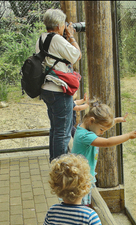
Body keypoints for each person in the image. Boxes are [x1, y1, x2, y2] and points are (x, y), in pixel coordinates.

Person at [71, 102, 136, 206]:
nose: (102, 133)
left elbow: (100, 125)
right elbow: (108, 142)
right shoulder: (85, 136)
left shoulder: (84, 127)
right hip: (80, 178)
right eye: (101, 130)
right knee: (81, 205)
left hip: (81, 175)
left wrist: (117, 120)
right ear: (91, 121)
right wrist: (127, 136)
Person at [37, 9, 82, 162]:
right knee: (63, 132)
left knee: (55, 129)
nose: (64, 26)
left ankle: (54, 162)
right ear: (58, 25)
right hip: (59, 91)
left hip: (47, 89)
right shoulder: (56, 39)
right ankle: (60, 168)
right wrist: (71, 37)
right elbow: (77, 55)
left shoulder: (41, 39)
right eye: (63, 23)